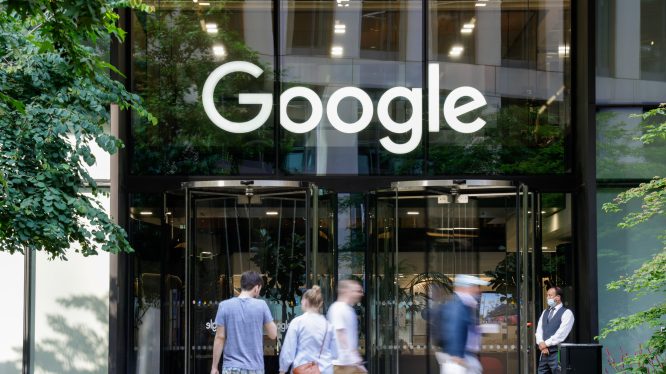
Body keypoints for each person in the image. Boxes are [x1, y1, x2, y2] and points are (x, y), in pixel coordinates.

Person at [211, 271, 278, 374]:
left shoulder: (224, 306)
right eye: (259, 289)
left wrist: (214, 367)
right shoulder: (261, 305)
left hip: (231, 367)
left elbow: (220, 337)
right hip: (255, 368)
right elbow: (273, 335)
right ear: (256, 287)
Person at [437, 274, 488, 374]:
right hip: (458, 359)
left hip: (465, 357)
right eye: (474, 286)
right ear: (464, 288)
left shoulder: (465, 305)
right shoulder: (457, 306)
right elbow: (453, 329)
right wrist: (456, 355)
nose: (478, 290)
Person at [279, 286, 335, 374]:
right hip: (325, 370)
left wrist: (282, 369)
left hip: (302, 369)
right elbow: (335, 353)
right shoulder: (328, 325)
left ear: (305, 301)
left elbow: (288, 350)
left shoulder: (298, 322)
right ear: (320, 303)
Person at [327, 279, 367, 374]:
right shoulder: (338, 308)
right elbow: (340, 333)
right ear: (346, 291)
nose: (361, 294)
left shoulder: (348, 309)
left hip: (348, 363)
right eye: (357, 291)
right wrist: (354, 357)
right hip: (342, 365)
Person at [535, 286, 574, 374]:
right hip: (544, 352)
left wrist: (545, 344)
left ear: (558, 297)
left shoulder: (567, 313)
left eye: (550, 295)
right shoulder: (545, 312)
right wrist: (541, 343)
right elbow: (539, 330)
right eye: (547, 295)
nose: (547, 297)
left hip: (558, 352)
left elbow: (561, 334)